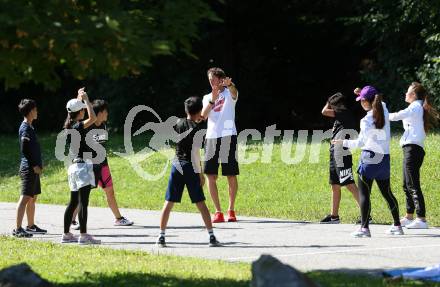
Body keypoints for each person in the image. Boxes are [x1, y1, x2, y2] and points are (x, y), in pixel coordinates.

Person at [334, 86, 403, 237]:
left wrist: (342, 142)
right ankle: (397, 225)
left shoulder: (366, 120)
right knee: (387, 193)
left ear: (366, 102)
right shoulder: (384, 110)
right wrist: (364, 94)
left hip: (369, 159)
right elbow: (379, 101)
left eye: (361, 100)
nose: (360, 103)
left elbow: (360, 143)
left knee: (365, 195)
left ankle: (364, 229)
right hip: (384, 159)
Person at [156, 96, 221, 247]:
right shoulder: (197, 130)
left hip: (176, 165)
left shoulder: (177, 123)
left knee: (169, 202)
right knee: (201, 203)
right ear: (199, 112)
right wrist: (200, 173)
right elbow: (195, 153)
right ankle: (211, 236)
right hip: (190, 167)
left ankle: (161, 236)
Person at [70, 99, 133, 230]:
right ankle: (72, 220)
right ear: (100, 112)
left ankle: (118, 218)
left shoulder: (103, 126)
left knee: (110, 191)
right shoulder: (87, 126)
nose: (107, 114)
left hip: (102, 164)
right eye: (106, 112)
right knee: (83, 195)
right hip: (88, 165)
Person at [389, 82, 439, 229]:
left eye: (408, 91)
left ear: (413, 95)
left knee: (413, 184)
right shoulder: (417, 106)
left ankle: (421, 219)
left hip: (413, 149)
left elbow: (399, 115)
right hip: (411, 149)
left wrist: (382, 113)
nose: (405, 93)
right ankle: (409, 216)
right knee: (406, 184)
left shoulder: (415, 106)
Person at [61, 87, 101, 245]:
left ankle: (66, 234)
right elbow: (93, 118)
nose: (84, 111)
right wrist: (86, 99)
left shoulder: (69, 125)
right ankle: (83, 235)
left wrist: (78, 99)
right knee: (83, 202)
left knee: (73, 202)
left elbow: (74, 111)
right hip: (83, 166)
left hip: (74, 167)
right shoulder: (77, 126)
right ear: (79, 112)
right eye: (82, 110)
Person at [201, 67, 239, 223]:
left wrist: (230, 85)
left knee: (230, 174)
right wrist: (213, 99)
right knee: (210, 175)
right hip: (211, 137)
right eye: (209, 79)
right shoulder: (207, 97)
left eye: (213, 79)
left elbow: (235, 93)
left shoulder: (229, 93)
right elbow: (203, 115)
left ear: (221, 80)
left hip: (228, 136)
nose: (211, 82)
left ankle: (231, 210)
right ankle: (218, 211)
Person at [320, 93, 361, 224]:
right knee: (335, 184)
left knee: (348, 183)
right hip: (335, 151)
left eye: (332, 104)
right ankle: (334, 216)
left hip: (341, 152)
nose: (330, 107)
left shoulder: (343, 112)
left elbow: (324, 111)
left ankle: (366, 213)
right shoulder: (341, 115)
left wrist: (328, 101)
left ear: (337, 105)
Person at [13, 99, 47, 237]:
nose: (37, 111)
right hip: (29, 168)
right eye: (35, 109)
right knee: (25, 198)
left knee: (32, 198)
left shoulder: (30, 127)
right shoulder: (25, 128)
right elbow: (24, 148)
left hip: (33, 168)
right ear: (30, 111)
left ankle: (31, 225)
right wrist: (34, 166)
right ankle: (17, 229)